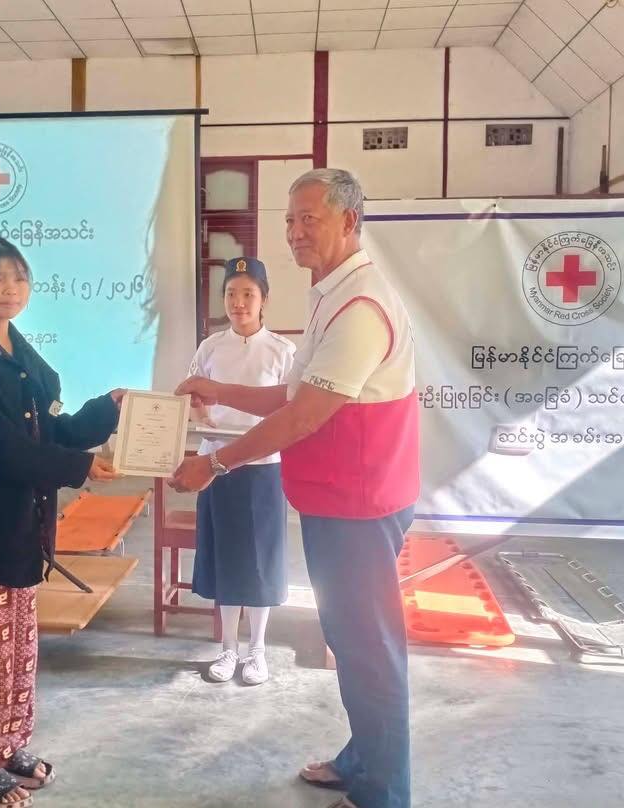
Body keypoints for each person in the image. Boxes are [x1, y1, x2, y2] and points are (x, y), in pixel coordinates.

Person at [171, 168, 419, 808]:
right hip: (337, 497)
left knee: (369, 644)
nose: (295, 231)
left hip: (362, 502)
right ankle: (363, 756)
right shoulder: (330, 295)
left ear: (349, 221)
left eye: (309, 218)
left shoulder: (361, 307)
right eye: (289, 219)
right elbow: (290, 393)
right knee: (347, 634)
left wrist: (216, 462)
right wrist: (217, 389)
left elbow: (305, 415)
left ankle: (384, 793)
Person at [0, 236, 123, 808]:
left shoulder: (21, 353)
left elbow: (51, 430)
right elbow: (2, 449)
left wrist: (109, 408)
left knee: (16, 654)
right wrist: (80, 468)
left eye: (18, 277)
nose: (9, 288)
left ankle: (8, 746)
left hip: (23, 531)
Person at [188, 257, 294, 685]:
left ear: (264, 300)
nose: (238, 302)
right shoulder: (210, 347)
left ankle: (258, 652)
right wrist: (202, 411)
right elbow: (194, 391)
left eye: (248, 293)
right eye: (231, 293)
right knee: (228, 559)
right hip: (216, 466)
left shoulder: (283, 351)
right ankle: (227, 649)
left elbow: (291, 410)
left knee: (261, 562)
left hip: (264, 468)